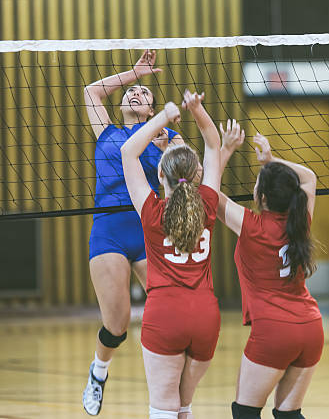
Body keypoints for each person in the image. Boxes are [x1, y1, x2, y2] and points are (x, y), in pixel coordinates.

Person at [82, 50, 183, 416]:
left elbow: (191, 171)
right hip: (108, 230)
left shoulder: (166, 136)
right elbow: (91, 92)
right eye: (132, 92)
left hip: (148, 229)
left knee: (169, 307)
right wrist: (134, 73)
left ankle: (166, 388)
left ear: (152, 110)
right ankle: (99, 370)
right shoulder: (106, 131)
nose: (136, 94)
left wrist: (172, 149)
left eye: (145, 94)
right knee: (118, 324)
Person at [121, 90, 221, 419]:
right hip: (206, 317)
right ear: (198, 177)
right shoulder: (208, 203)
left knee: (164, 407)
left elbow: (128, 152)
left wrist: (163, 115)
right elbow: (213, 143)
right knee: (184, 406)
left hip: (165, 316)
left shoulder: (152, 212)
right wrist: (197, 110)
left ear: (160, 175)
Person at [218, 121, 324, 419]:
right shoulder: (300, 217)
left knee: (245, 413)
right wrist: (270, 159)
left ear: (261, 197)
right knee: (288, 415)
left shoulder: (251, 225)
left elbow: (208, 194)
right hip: (311, 327)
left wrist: (225, 150)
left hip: (275, 332)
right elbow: (309, 177)